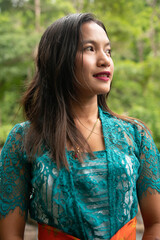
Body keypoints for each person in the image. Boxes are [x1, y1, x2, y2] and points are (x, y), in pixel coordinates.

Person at [0, 12, 160, 240]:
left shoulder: (135, 135)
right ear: (59, 59)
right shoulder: (24, 139)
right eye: (90, 49)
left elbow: (156, 223)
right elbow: (9, 235)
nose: (105, 60)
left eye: (108, 50)